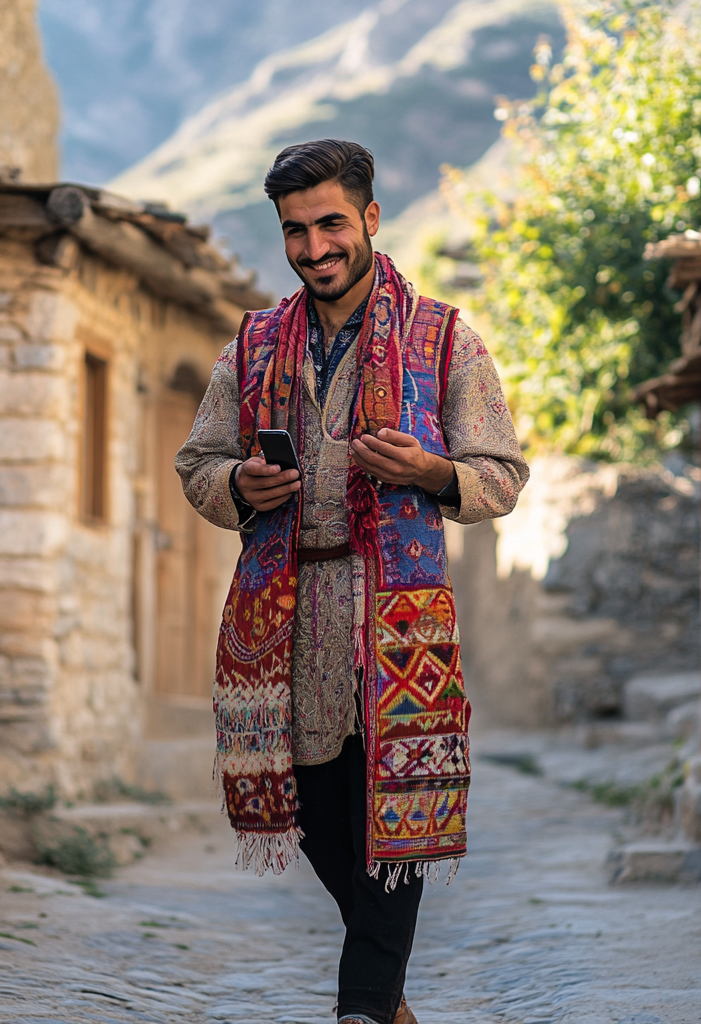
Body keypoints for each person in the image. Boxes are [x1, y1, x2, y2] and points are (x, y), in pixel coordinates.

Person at [175, 139, 528, 1024]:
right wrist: (236, 487)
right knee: (328, 830)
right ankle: (391, 1003)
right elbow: (198, 462)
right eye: (296, 231)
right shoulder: (252, 346)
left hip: (398, 618)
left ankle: (363, 1010)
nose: (314, 246)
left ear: (370, 218)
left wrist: (432, 471)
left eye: (331, 223)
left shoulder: (443, 338)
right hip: (286, 621)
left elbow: (503, 474)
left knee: (396, 826)